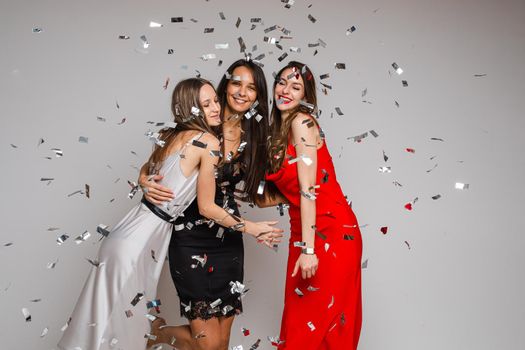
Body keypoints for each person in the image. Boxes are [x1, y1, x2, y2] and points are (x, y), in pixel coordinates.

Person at [58, 77, 280, 350]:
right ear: (190, 109)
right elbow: (207, 206)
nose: (215, 109)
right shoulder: (208, 141)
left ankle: (151, 334)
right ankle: (153, 335)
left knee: (104, 325)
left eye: (215, 101)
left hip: (129, 233)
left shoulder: (169, 136)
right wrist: (253, 228)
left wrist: (143, 178)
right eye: (205, 104)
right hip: (142, 241)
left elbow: (151, 172)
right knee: (124, 331)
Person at [139, 59, 278, 350]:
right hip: (189, 238)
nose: (242, 92)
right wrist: (143, 179)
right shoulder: (201, 122)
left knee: (221, 344)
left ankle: (158, 334)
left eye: (251, 87)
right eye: (237, 83)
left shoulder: (254, 138)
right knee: (208, 345)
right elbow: (157, 162)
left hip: (228, 240)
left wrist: (301, 195)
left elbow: (256, 193)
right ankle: (159, 333)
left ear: (258, 95)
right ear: (225, 86)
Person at [261, 61, 363, 350]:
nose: (285, 90)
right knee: (299, 322)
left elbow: (308, 191)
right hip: (304, 231)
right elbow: (284, 193)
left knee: (321, 326)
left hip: (331, 232)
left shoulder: (302, 122)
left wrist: (309, 250)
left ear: (306, 96)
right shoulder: (276, 132)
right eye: (282, 82)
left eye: (296, 87)